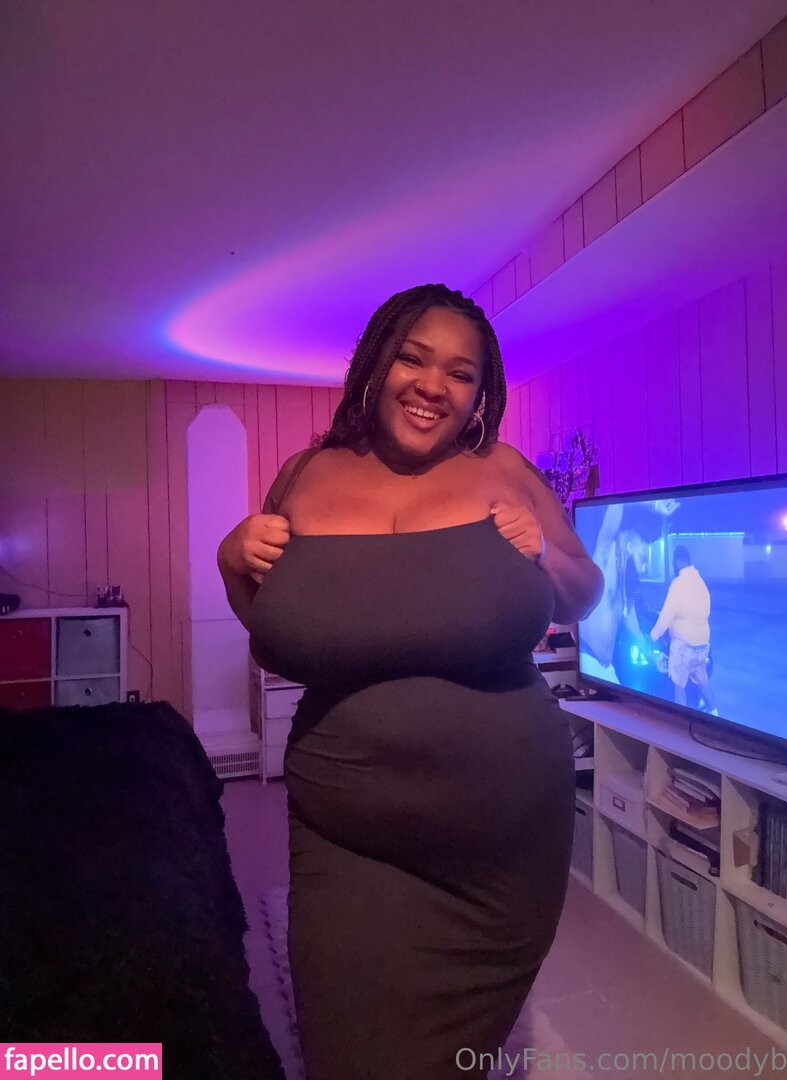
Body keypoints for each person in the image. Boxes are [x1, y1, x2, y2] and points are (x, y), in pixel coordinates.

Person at [217, 283, 603, 1079]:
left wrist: (541, 551)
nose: (433, 386)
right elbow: (275, 638)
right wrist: (231, 564)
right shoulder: (305, 475)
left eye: (460, 373)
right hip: (345, 845)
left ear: (481, 394)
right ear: (377, 363)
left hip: (503, 851)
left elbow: (583, 592)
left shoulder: (503, 470)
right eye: (413, 359)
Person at [579, 500, 677, 683]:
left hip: (605, 669)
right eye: (643, 559)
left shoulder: (626, 592)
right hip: (587, 659)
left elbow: (635, 630)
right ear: (630, 547)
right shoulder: (604, 561)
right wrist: (655, 505)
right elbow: (615, 505)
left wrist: (653, 657)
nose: (644, 568)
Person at [650, 545, 718, 715]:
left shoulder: (678, 583)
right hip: (702, 645)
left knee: (679, 688)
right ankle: (716, 716)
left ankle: (681, 722)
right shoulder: (701, 583)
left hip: (683, 646)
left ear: (678, 561)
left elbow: (666, 615)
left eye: (674, 563)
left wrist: (653, 635)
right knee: (703, 683)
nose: (674, 566)